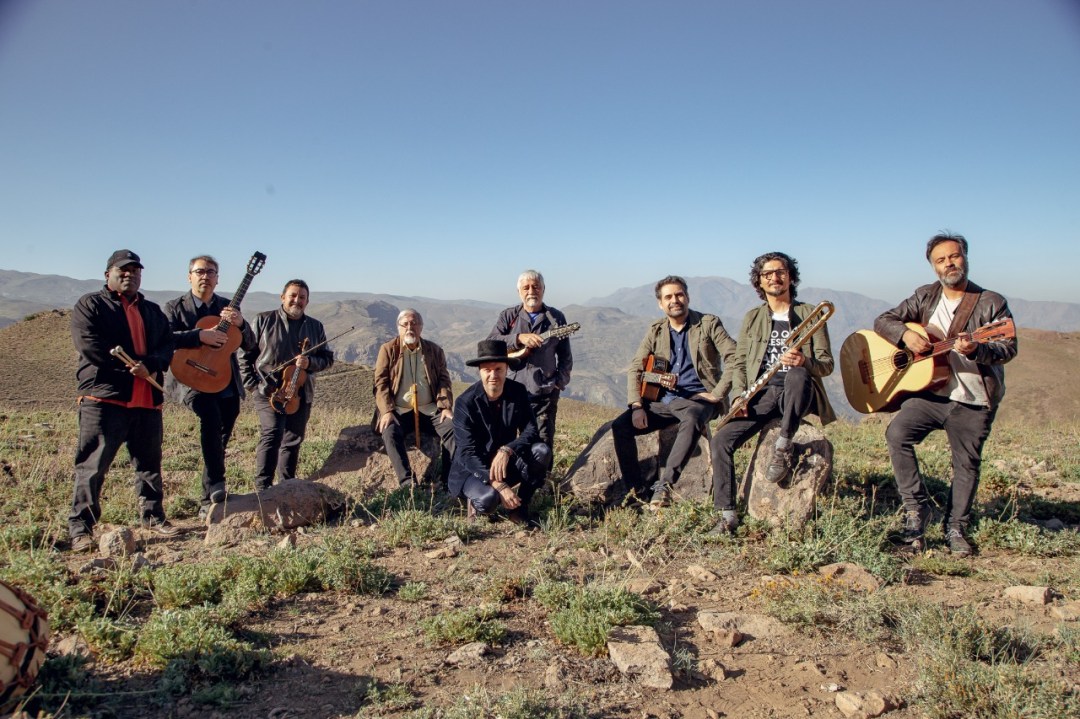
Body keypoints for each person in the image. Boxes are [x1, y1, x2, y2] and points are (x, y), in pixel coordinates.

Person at [875, 232, 1016, 557]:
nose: (949, 263)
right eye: (941, 260)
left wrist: (977, 348)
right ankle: (916, 511)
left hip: (974, 398)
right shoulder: (925, 297)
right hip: (930, 392)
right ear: (933, 266)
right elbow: (884, 320)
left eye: (954, 256)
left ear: (965, 257)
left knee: (965, 464)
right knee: (898, 434)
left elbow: (1007, 347)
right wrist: (906, 334)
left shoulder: (991, 302)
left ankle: (956, 527)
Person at [708, 252, 836, 534]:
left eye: (780, 272)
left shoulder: (810, 314)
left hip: (799, 390)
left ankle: (783, 444)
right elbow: (740, 361)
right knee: (721, 441)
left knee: (798, 373)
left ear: (790, 277)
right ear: (760, 282)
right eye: (767, 274)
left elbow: (826, 365)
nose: (774, 278)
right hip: (763, 393)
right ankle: (727, 514)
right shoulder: (753, 317)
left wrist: (804, 361)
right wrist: (741, 395)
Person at [68, 249, 179, 552]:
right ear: (108, 275)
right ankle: (81, 527)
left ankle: (153, 516)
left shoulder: (152, 311)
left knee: (150, 464)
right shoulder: (90, 305)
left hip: (147, 400)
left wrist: (151, 364)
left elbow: (168, 344)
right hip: (106, 399)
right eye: (123, 270)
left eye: (135, 270)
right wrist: (130, 368)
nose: (130, 274)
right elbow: (90, 345)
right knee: (93, 466)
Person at [611, 275, 736, 507]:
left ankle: (664, 486)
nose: (674, 300)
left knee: (692, 418)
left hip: (699, 398)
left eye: (679, 294)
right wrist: (637, 405)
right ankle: (636, 492)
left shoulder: (708, 324)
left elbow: (736, 356)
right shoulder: (656, 330)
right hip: (664, 400)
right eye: (668, 297)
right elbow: (636, 367)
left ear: (687, 297)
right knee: (620, 426)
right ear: (660, 303)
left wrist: (718, 393)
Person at [165, 255, 257, 516]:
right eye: (200, 271)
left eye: (211, 272)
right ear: (189, 276)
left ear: (217, 278)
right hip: (190, 377)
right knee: (210, 418)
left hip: (223, 378)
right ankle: (216, 487)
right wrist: (199, 336)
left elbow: (249, 344)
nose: (205, 276)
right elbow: (164, 338)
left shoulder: (228, 307)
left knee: (223, 429)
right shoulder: (175, 307)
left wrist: (241, 324)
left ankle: (211, 494)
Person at [241, 279, 334, 490]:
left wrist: (310, 362)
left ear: (307, 301)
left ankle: (287, 485)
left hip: (300, 392)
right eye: (293, 295)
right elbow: (245, 355)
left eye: (302, 297)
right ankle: (262, 487)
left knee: (294, 438)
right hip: (268, 390)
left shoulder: (315, 326)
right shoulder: (263, 320)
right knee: (272, 433)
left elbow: (327, 359)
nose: (297, 300)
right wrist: (252, 384)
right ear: (282, 297)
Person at [448, 339, 550, 525]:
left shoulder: (518, 392)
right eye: (487, 370)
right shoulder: (466, 402)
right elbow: (467, 453)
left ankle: (520, 509)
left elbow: (531, 430)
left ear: (506, 369)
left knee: (541, 451)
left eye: (498, 369)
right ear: (480, 371)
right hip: (473, 470)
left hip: (505, 463)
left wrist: (507, 449)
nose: (493, 375)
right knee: (488, 500)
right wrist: (498, 485)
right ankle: (478, 501)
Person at [488, 270, 573, 455]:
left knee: (542, 441)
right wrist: (518, 338)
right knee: (506, 438)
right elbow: (491, 342)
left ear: (543, 289)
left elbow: (565, 354)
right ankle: (508, 478)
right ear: (519, 291)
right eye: (526, 287)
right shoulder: (509, 316)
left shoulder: (555, 317)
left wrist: (559, 381)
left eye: (536, 286)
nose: (531, 291)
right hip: (511, 390)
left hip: (543, 392)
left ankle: (541, 482)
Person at [373, 308, 455, 486]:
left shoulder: (434, 350)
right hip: (399, 411)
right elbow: (381, 383)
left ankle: (448, 480)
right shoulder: (388, 350)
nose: (410, 327)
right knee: (389, 432)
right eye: (405, 324)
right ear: (399, 327)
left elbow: (444, 380)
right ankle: (407, 481)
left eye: (414, 323)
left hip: (429, 410)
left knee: (452, 429)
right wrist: (387, 410)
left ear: (421, 327)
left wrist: (445, 406)